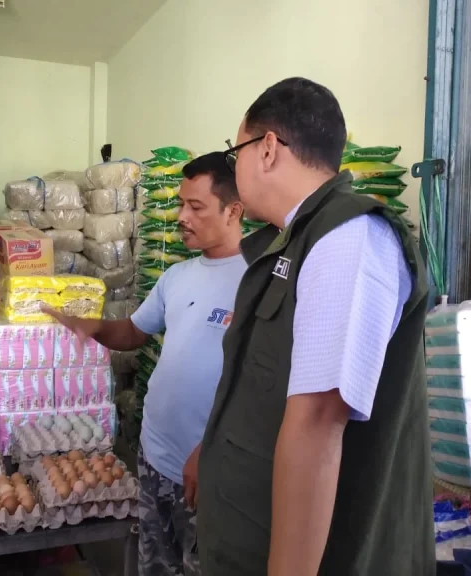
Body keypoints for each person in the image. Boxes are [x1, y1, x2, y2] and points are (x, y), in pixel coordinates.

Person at [195, 78, 436, 576]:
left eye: (235, 152)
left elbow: (319, 424)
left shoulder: (347, 238)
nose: (234, 167)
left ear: (266, 149)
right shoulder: (293, 243)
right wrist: (211, 449)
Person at [46, 152, 246, 576]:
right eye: (181, 204)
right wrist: (94, 326)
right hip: (155, 457)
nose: (181, 217)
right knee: (154, 565)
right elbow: (136, 332)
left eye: (196, 207)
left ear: (234, 210)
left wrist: (211, 453)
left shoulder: (256, 282)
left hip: (207, 474)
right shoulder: (178, 275)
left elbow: (262, 388)